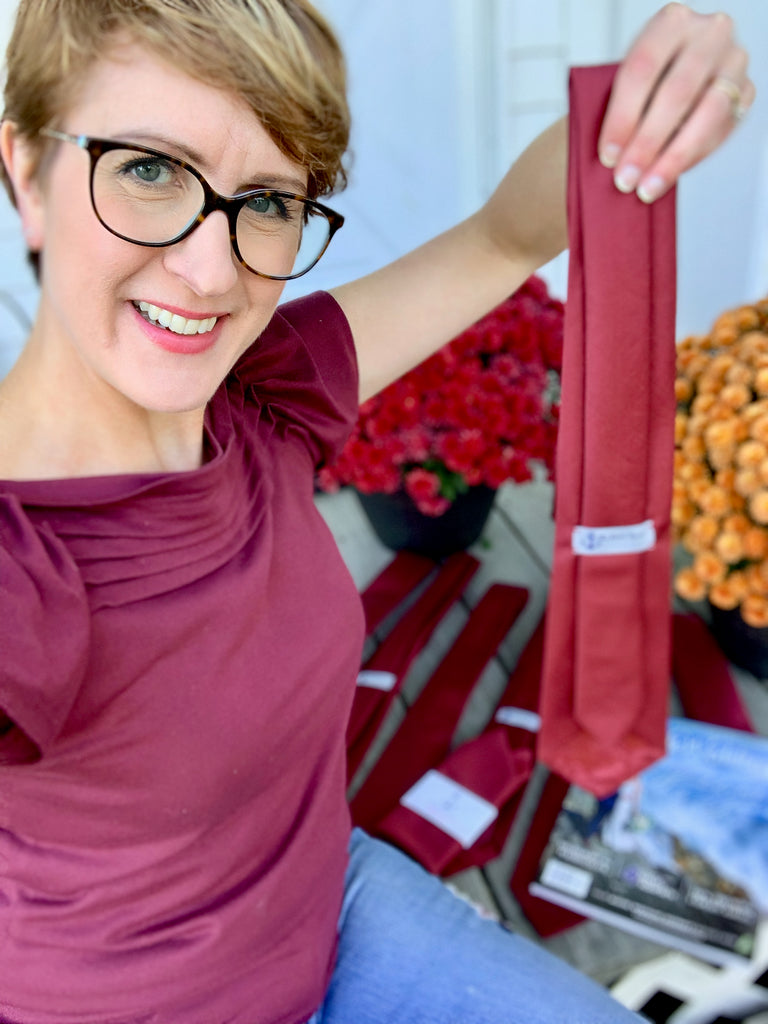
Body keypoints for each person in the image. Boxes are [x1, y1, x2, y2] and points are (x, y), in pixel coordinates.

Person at [0, 1, 753, 1022]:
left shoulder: (263, 392)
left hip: (330, 897)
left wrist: (637, 109)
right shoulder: (21, 564)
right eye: (147, 169)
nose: (210, 270)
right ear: (26, 171)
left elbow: (503, 236)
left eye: (265, 198)